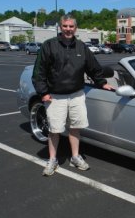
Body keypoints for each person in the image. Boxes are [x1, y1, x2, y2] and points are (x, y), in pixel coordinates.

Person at [32, 14, 113, 176]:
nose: (68, 29)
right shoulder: (49, 46)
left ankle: (75, 157)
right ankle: (53, 160)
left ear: (75, 28)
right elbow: (39, 71)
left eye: (71, 26)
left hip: (77, 95)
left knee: (75, 128)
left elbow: (93, 67)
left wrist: (102, 82)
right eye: (65, 26)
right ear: (60, 27)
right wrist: (43, 93)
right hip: (55, 96)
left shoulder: (82, 47)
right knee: (54, 130)